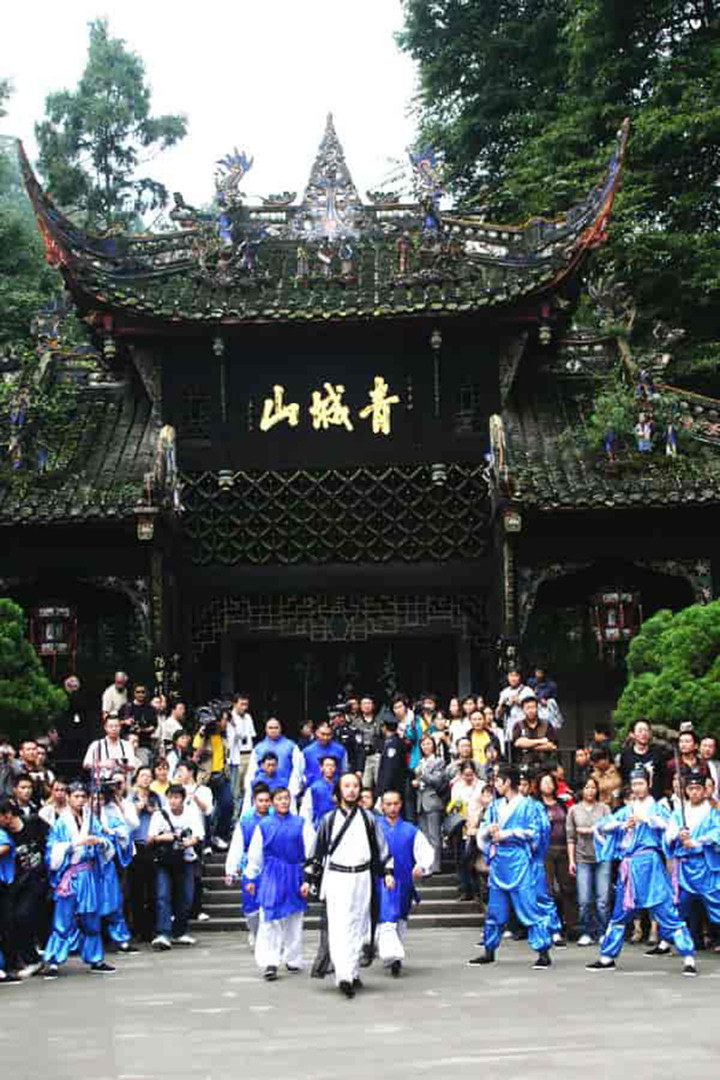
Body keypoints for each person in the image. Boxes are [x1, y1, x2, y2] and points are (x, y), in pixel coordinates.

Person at [586, 765, 697, 976]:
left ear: (649, 784)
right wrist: (622, 826)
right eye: (634, 784)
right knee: (620, 913)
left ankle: (688, 956)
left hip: (650, 865)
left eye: (641, 783)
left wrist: (648, 820)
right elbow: (601, 826)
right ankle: (607, 956)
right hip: (629, 867)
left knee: (666, 911)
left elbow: (669, 828)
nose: (637, 787)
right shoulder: (626, 811)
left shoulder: (657, 808)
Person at [306, 772, 394, 998]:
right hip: (337, 876)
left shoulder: (369, 819)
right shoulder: (328, 820)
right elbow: (317, 851)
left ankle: (353, 971)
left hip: (362, 876)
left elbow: (381, 848)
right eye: (346, 786)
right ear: (339, 791)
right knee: (339, 925)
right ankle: (343, 975)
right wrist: (309, 879)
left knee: (359, 924)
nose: (352, 790)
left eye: (355, 786)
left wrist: (387, 872)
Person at [467, 764, 554, 969]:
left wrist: (509, 833)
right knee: (495, 909)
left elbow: (535, 832)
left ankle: (543, 952)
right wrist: (487, 831)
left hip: (518, 860)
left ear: (507, 782)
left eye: (498, 780)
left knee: (529, 907)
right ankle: (489, 950)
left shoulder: (529, 805)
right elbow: (484, 829)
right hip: (499, 862)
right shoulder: (495, 806)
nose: (496, 784)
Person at [42, 782, 116, 979]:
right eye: (76, 796)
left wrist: (100, 841)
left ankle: (95, 959)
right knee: (62, 919)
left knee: (91, 919)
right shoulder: (61, 823)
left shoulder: (92, 821)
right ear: (68, 798)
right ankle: (53, 961)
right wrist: (74, 844)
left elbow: (106, 842)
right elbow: (52, 850)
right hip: (70, 874)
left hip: (88, 875)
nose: (80, 800)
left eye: (83, 796)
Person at [244, 787, 316, 980]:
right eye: (279, 799)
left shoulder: (301, 823)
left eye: (286, 798)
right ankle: (271, 961)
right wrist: (250, 876)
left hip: (294, 873)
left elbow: (312, 851)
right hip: (272, 874)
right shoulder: (264, 825)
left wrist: (309, 877)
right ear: (272, 802)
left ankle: (293, 958)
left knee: (294, 918)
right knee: (269, 918)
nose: (283, 802)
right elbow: (255, 854)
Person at [375, 790, 435, 976]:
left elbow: (425, 851)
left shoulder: (410, 830)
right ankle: (391, 954)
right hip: (380, 881)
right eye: (388, 804)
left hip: (404, 882)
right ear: (382, 806)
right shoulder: (374, 827)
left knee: (400, 920)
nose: (392, 808)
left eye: (395, 804)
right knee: (386, 917)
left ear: (400, 805)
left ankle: (394, 957)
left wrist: (421, 865)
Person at [660, 772, 720, 953]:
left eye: (698, 788)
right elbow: (668, 836)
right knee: (680, 903)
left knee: (716, 902)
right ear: (685, 790)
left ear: (704, 791)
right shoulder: (679, 813)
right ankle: (670, 940)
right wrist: (678, 835)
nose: (694, 792)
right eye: (690, 788)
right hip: (685, 866)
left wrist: (698, 841)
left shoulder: (712, 812)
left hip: (705, 865)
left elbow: (717, 832)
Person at [148, 783, 203, 950]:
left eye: (177, 797)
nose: (173, 801)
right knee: (163, 895)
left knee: (186, 897)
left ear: (183, 799)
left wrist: (186, 843)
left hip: (185, 859)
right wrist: (166, 837)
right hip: (164, 860)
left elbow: (198, 835)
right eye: (170, 797)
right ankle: (163, 933)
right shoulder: (159, 814)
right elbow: (150, 838)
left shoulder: (191, 812)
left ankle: (179, 931)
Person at [1, 798, 49, 978]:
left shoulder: (34, 823)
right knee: (12, 920)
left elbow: (52, 840)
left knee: (24, 916)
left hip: (37, 880)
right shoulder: (5, 834)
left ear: (8, 815)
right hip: (16, 884)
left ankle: (34, 959)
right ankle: (25, 958)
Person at [225, 782, 272, 948]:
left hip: (271, 867)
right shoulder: (246, 821)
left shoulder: (276, 819)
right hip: (250, 867)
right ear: (254, 801)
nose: (264, 804)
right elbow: (237, 845)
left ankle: (267, 937)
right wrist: (230, 870)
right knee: (250, 906)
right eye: (261, 800)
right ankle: (253, 930)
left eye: (267, 800)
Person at [566, 776, 611, 945]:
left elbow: (611, 830)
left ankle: (602, 931)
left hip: (602, 857)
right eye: (586, 787)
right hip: (582, 857)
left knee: (602, 900)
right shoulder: (574, 810)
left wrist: (592, 831)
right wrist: (571, 861)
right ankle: (586, 931)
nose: (590, 791)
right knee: (584, 900)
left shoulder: (604, 808)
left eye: (593, 787)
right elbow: (570, 838)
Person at [98, 777, 137, 953]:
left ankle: (119, 937)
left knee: (116, 899)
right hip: (87, 865)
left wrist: (110, 833)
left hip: (110, 863)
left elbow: (126, 831)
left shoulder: (113, 811)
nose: (99, 800)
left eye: (102, 797)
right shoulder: (81, 814)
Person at [537, 773, 577, 942]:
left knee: (567, 887)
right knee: (548, 889)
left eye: (550, 782)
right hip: (545, 850)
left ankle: (571, 926)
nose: (547, 785)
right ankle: (551, 926)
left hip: (563, 848)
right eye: (544, 782)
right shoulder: (536, 805)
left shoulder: (561, 803)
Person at [125, 766, 162, 942]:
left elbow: (163, 816)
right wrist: (138, 809)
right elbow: (126, 821)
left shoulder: (156, 798)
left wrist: (154, 811)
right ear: (137, 778)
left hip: (153, 845)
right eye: (143, 775)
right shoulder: (129, 798)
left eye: (149, 776)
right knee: (136, 890)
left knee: (153, 890)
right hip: (135, 846)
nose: (146, 778)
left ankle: (151, 928)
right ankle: (138, 928)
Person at [447, 761, 485, 901]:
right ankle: (466, 889)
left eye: (470, 774)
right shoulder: (457, 786)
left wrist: (477, 822)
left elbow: (486, 803)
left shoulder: (481, 785)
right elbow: (454, 806)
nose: (468, 777)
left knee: (475, 858)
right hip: (462, 826)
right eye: (465, 775)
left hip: (478, 825)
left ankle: (478, 890)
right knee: (462, 859)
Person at [244, 718, 304, 805]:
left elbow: (297, 770)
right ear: (266, 729)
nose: (273, 730)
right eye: (270, 728)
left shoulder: (291, 746)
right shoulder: (258, 748)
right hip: (262, 791)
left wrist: (293, 789)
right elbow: (251, 771)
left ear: (280, 729)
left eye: (276, 728)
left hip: (284, 789)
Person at [413, 734, 446, 873]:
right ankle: (426, 865)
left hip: (432, 800)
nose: (426, 746)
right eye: (423, 744)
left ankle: (436, 866)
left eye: (428, 743)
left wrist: (422, 774)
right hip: (420, 800)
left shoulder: (438, 761)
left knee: (434, 836)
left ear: (433, 745)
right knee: (425, 836)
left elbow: (437, 781)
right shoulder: (420, 761)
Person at [619, 719, 666, 801]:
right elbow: (625, 779)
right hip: (634, 800)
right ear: (632, 734)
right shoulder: (626, 756)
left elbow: (664, 777)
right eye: (640, 731)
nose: (644, 733)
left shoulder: (658, 753)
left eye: (646, 730)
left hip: (656, 800)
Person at [83, 716, 138, 781]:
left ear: (120, 727)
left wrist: (120, 765)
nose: (114, 729)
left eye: (116, 726)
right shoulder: (96, 745)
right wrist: (102, 764)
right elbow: (86, 764)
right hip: (100, 780)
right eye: (111, 726)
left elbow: (132, 765)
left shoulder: (127, 745)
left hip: (121, 780)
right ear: (105, 727)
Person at [227, 693, 256, 806]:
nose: (244, 707)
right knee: (236, 789)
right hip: (236, 756)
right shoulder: (229, 718)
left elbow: (251, 736)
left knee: (248, 786)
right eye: (242, 704)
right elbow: (233, 737)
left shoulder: (248, 717)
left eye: (246, 704)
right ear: (235, 704)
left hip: (249, 753)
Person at [511, 698, 557, 765]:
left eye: (533, 707)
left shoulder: (547, 724)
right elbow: (518, 743)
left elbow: (552, 746)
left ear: (537, 708)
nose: (530, 711)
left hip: (545, 764)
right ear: (523, 710)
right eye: (527, 708)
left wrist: (527, 745)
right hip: (524, 764)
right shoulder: (518, 725)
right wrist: (541, 741)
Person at [352, 696, 384, 791]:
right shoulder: (355, 722)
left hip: (376, 754)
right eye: (364, 703)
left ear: (373, 706)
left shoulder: (380, 721)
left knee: (379, 782)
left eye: (369, 703)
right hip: (362, 757)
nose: (367, 706)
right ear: (360, 706)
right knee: (365, 784)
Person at [303, 721, 348, 788]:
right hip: (313, 788)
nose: (325, 737)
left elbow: (344, 771)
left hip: (334, 788)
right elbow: (302, 773)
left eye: (328, 735)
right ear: (316, 733)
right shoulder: (307, 752)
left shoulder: (340, 750)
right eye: (323, 734)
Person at [119, 685, 157, 766]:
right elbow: (116, 722)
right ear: (134, 693)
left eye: (143, 692)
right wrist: (125, 722)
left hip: (143, 744)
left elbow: (153, 726)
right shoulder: (126, 707)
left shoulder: (150, 709)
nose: (140, 694)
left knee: (143, 765)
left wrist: (142, 730)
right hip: (126, 744)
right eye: (138, 692)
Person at [496, 669, 534, 741]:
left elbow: (533, 709)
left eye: (516, 676)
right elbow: (498, 716)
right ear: (507, 677)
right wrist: (501, 706)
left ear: (520, 677)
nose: (513, 679)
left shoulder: (527, 691)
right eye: (511, 676)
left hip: (525, 726)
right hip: (509, 727)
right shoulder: (504, 692)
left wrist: (518, 702)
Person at [300, 756, 338, 827]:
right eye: (327, 765)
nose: (330, 768)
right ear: (321, 768)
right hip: (319, 826)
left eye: (332, 765)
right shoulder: (314, 788)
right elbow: (306, 811)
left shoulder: (340, 786)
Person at [376, 718, 408, 802]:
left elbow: (389, 768)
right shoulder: (394, 741)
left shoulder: (392, 744)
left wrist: (384, 789)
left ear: (384, 727)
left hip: (391, 789)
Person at [329, 709, 365, 776]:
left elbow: (359, 752)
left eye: (336, 717)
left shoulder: (352, 731)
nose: (334, 720)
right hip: (333, 767)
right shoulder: (330, 732)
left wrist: (359, 769)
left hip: (349, 766)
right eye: (333, 718)